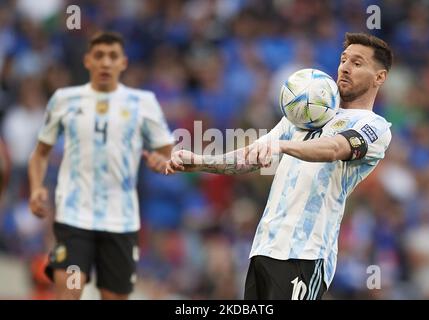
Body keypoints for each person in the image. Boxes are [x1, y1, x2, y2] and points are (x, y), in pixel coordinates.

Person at [167, 32, 393, 300]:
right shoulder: (305, 115)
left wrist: (282, 147)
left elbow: (334, 149)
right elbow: (252, 156)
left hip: (306, 253)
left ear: (379, 77)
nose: (345, 67)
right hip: (265, 247)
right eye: (344, 59)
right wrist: (201, 162)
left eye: (357, 63)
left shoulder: (373, 127)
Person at [28, 31, 174, 300]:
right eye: (99, 56)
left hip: (121, 220)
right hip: (74, 217)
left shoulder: (143, 103)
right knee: (69, 293)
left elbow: (169, 154)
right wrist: (36, 188)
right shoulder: (64, 100)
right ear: (87, 61)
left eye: (112, 56)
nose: (106, 62)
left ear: (123, 63)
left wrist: (160, 163)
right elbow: (40, 154)